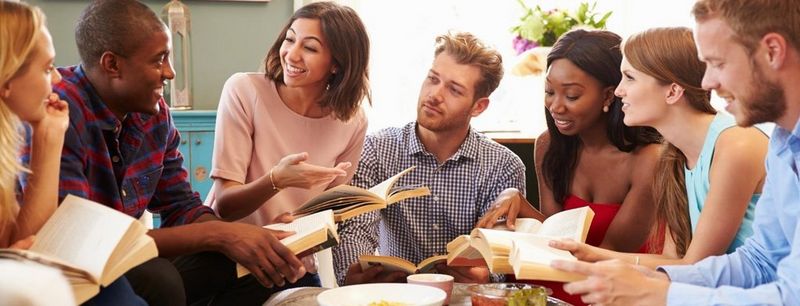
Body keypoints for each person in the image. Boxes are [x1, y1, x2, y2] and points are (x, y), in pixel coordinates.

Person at [23, 1, 308, 305]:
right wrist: (220, 235)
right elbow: (83, 242)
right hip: (73, 268)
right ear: (112, 65)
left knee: (256, 265)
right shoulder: (59, 113)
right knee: (158, 278)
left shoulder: (155, 115)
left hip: (122, 257)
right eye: (159, 60)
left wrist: (248, 238)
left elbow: (180, 206)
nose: (170, 73)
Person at [552, 0, 800, 304]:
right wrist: (647, 276)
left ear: (773, 51)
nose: (707, 82)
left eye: (718, 63)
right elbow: (759, 260)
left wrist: (660, 292)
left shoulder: (739, 143)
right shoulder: (782, 144)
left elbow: (791, 294)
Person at [549, 27, 768, 269]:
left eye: (630, 78)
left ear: (673, 91)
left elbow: (698, 266)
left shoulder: (736, 146)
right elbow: (673, 260)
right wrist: (589, 254)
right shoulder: (675, 154)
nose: (619, 91)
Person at [476, 29, 662, 305]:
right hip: (554, 282)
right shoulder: (549, 146)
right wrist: (516, 199)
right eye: (549, 91)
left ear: (609, 95)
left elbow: (607, 253)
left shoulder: (649, 160)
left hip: (607, 288)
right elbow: (556, 232)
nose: (555, 106)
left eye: (572, 96)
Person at [332, 31, 526, 286]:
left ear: (478, 106)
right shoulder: (376, 148)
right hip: (394, 297)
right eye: (432, 79)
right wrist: (353, 270)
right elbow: (356, 228)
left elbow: (501, 255)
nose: (435, 94)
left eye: (454, 90)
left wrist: (487, 276)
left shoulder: (504, 166)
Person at [205, 1, 370, 288]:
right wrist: (275, 181)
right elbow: (226, 206)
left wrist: (298, 224)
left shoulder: (353, 121)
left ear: (337, 64)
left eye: (310, 47)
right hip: (228, 254)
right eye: (290, 39)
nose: (291, 55)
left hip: (289, 260)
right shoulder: (244, 91)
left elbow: (328, 212)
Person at [1, 1, 145, 305]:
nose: (56, 79)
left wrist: (49, 139)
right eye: (46, 68)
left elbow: (27, 240)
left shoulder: (9, 143)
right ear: (7, 81)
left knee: (115, 289)